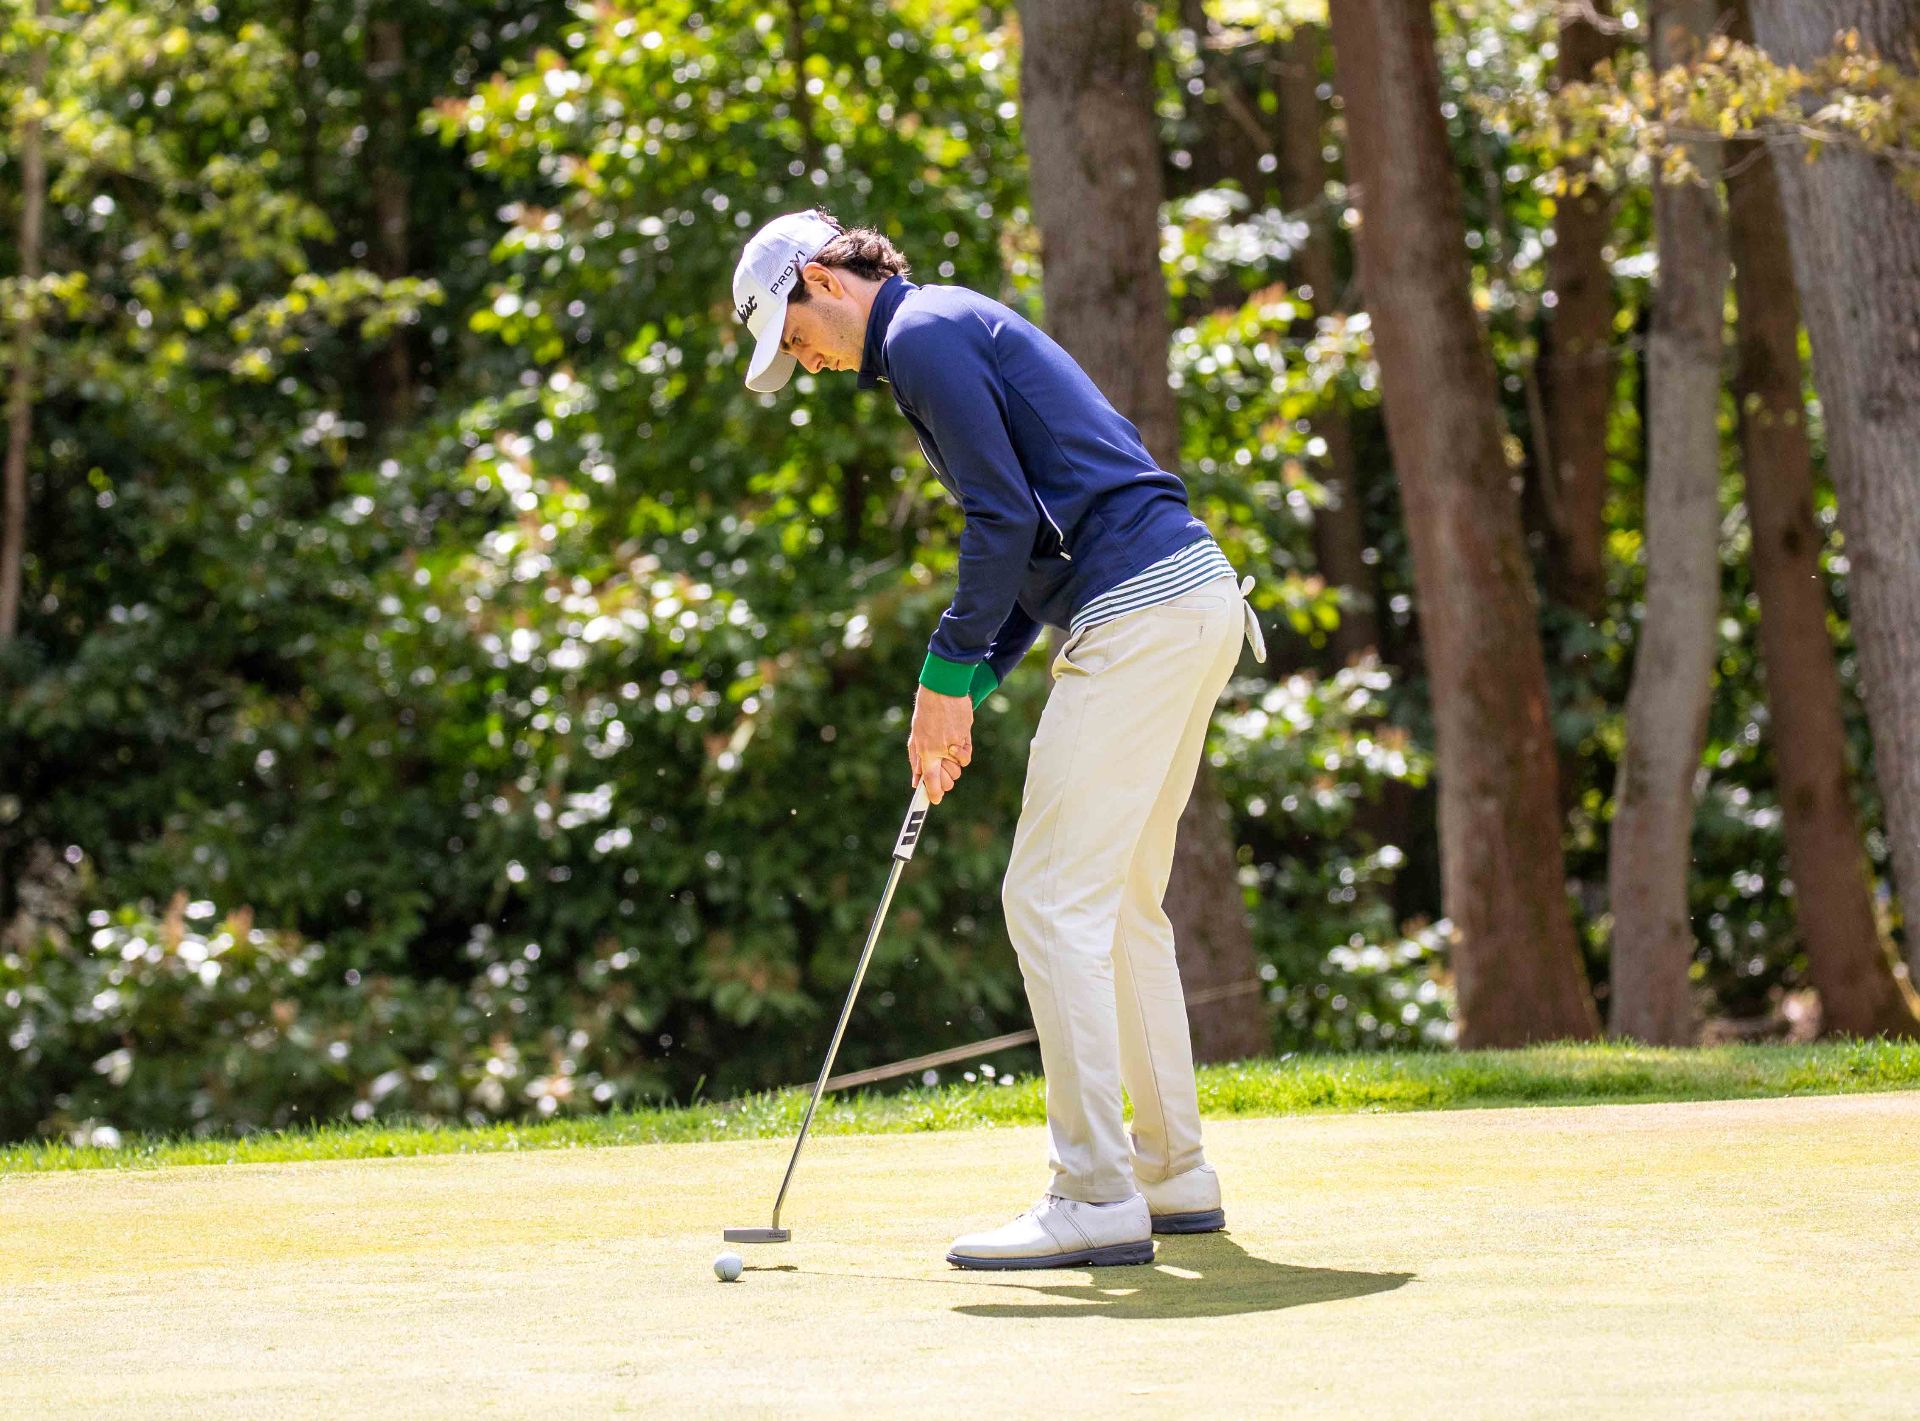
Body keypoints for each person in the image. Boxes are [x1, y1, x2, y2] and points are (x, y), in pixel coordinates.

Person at [731, 208, 1266, 1270]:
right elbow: (1031, 542)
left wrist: (940, 678)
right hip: (1189, 599)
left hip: (1141, 610)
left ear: (823, 280)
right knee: (1118, 902)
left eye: (796, 336)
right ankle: (1171, 1174)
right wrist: (968, 687)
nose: (808, 362)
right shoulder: (937, 332)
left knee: (1048, 899)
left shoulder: (922, 334)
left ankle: (1095, 1192)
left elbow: (1000, 522)